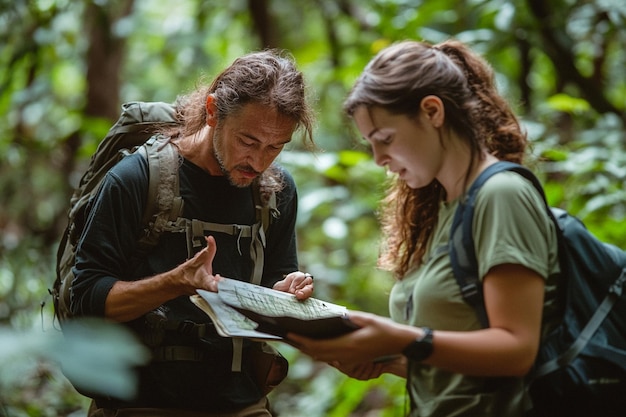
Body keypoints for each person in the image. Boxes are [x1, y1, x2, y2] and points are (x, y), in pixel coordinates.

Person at [288, 39, 561, 416]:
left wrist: (404, 339)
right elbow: (455, 364)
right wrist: (382, 357)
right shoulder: (442, 208)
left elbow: (516, 351)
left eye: (385, 139)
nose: (379, 158)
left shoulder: (501, 195)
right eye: (371, 144)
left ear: (432, 111)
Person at [71, 50, 316, 416]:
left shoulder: (275, 190)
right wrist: (176, 282)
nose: (259, 161)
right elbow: (87, 298)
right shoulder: (136, 179)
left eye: (275, 147)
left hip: (240, 401)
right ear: (214, 110)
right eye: (248, 141)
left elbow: (274, 281)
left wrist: (284, 294)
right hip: (140, 401)